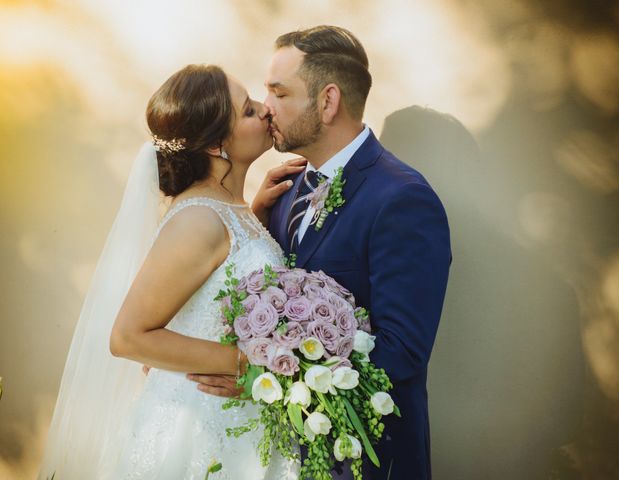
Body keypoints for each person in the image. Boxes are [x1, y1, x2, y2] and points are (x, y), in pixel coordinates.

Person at [195, 26, 452, 480]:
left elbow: (401, 352)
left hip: (364, 460)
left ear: (327, 101)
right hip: (277, 455)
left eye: (279, 92)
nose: (266, 107)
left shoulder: (402, 199)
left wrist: (263, 379)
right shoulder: (287, 186)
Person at [38, 64, 301, 480]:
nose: (266, 112)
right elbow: (128, 336)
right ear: (217, 144)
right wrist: (247, 364)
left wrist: (256, 214)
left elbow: (219, 279)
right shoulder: (199, 218)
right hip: (196, 428)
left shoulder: (228, 209)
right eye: (249, 111)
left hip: (236, 426)